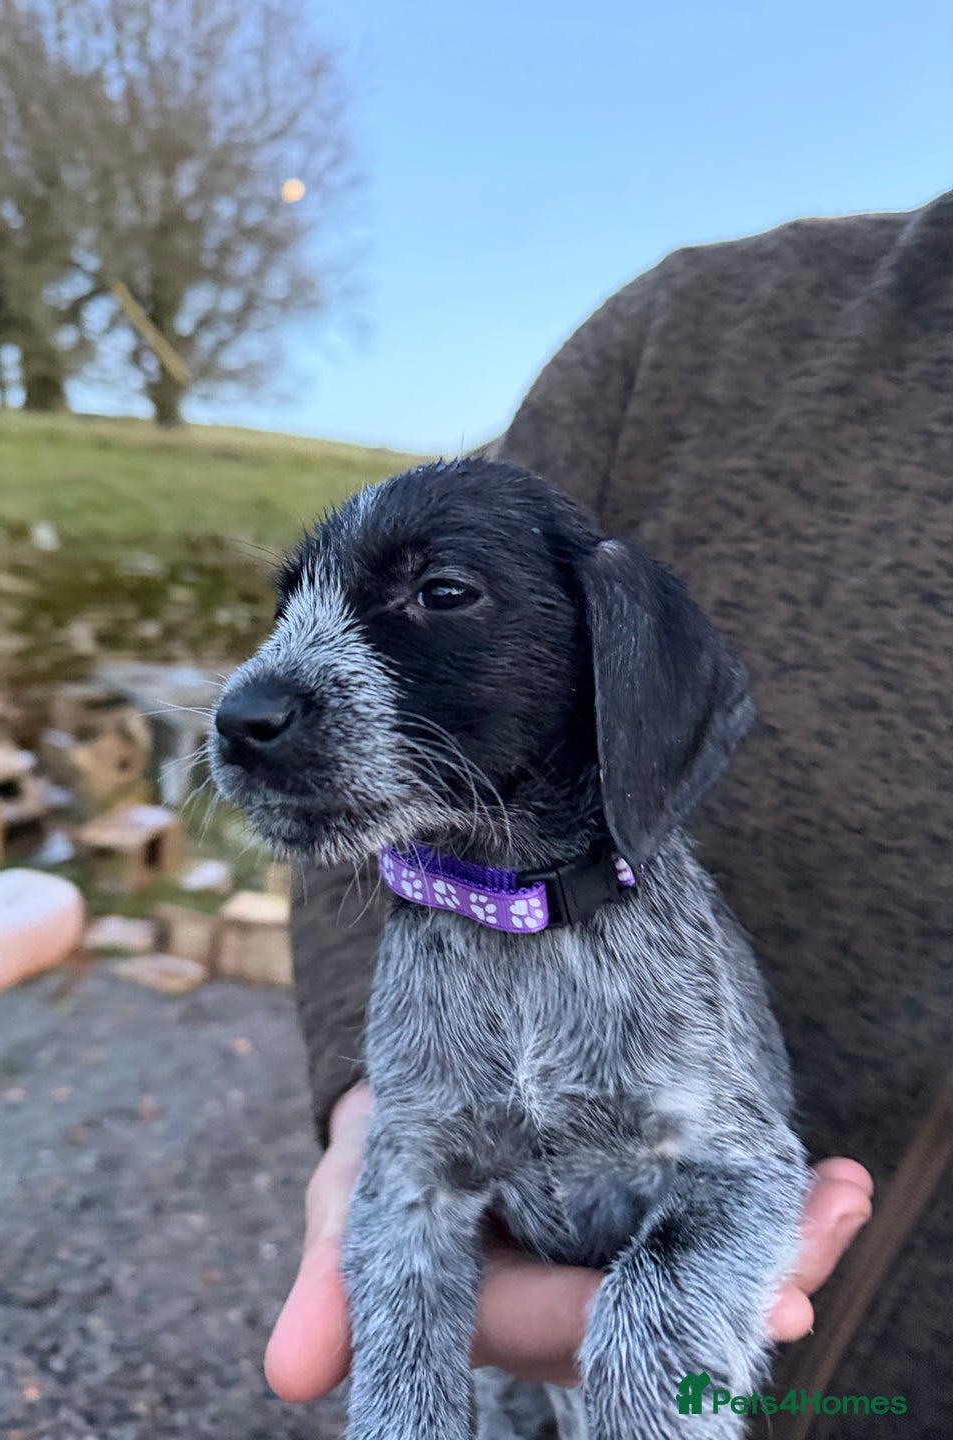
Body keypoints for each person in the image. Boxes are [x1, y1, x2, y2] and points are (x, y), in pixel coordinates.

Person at [268, 189, 951, 1437]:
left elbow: (741, 1170)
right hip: (524, 1307)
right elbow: (342, 790)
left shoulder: (638, 631)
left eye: (442, 592)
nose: (260, 682)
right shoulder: (688, 332)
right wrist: (365, 1112)